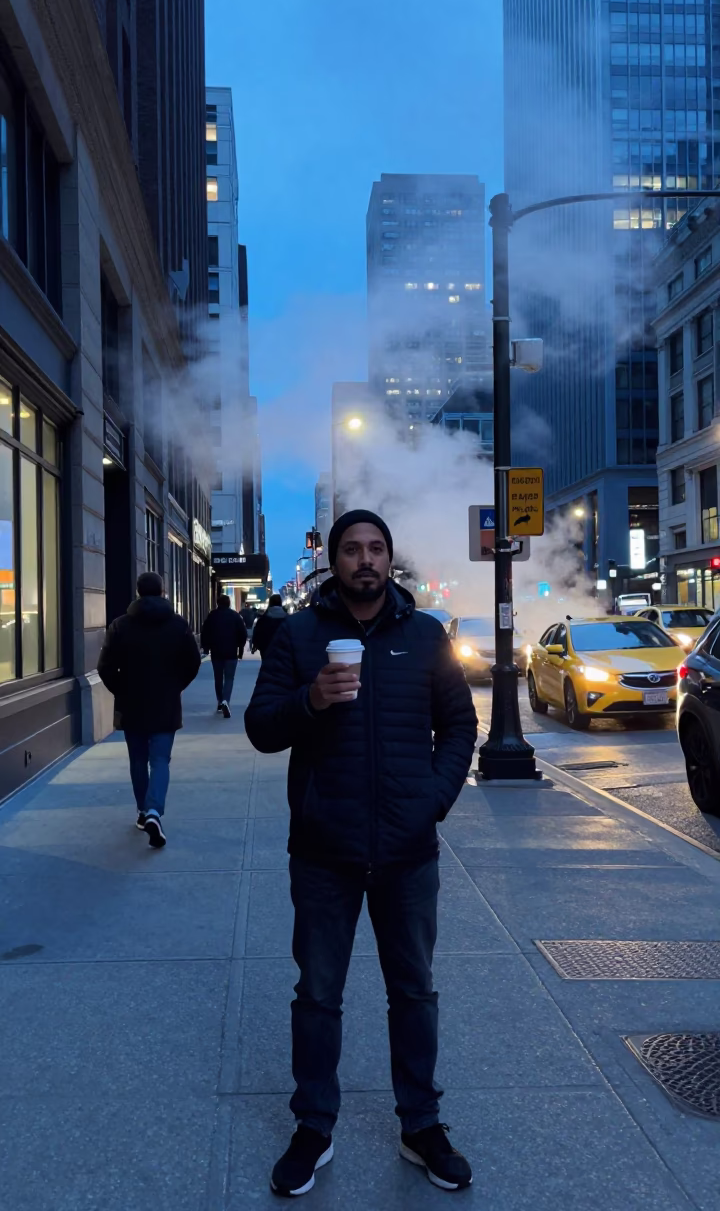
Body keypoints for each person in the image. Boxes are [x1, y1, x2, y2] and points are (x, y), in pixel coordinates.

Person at [245, 509, 478, 1197]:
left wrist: (432, 800)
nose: (365, 560)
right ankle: (314, 1126)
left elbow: (460, 726)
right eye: (353, 550)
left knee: (414, 991)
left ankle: (421, 1125)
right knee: (317, 994)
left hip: (409, 852)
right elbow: (261, 727)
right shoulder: (300, 635)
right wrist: (311, 700)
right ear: (333, 560)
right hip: (324, 850)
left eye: (376, 549)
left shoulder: (426, 636)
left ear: (390, 559)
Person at [98, 571, 201, 848]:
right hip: (166, 704)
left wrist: (121, 689)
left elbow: (104, 667)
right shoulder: (178, 625)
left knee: (137, 760)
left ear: (138, 592)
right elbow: (193, 662)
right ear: (163, 591)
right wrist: (175, 686)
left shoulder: (120, 626)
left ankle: (143, 812)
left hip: (132, 704)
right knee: (160, 760)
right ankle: (155, 810)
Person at [201, 594, 248, 717]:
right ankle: (226, 700)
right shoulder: (235, 616)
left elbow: (205, 632)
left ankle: (220, 701)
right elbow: (242, 634)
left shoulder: (212, 616)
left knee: (218, 678)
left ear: (217, 603)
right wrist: (241, 650)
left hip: (216, 652)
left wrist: (206, 648)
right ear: (229, 604)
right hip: (231, 652)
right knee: (229, 678)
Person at [250, 593, 288, 659]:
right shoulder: (288, 619)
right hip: (284, 649)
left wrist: (255, 645)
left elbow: (257, 633)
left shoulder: (263, 619)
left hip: (266, 649)